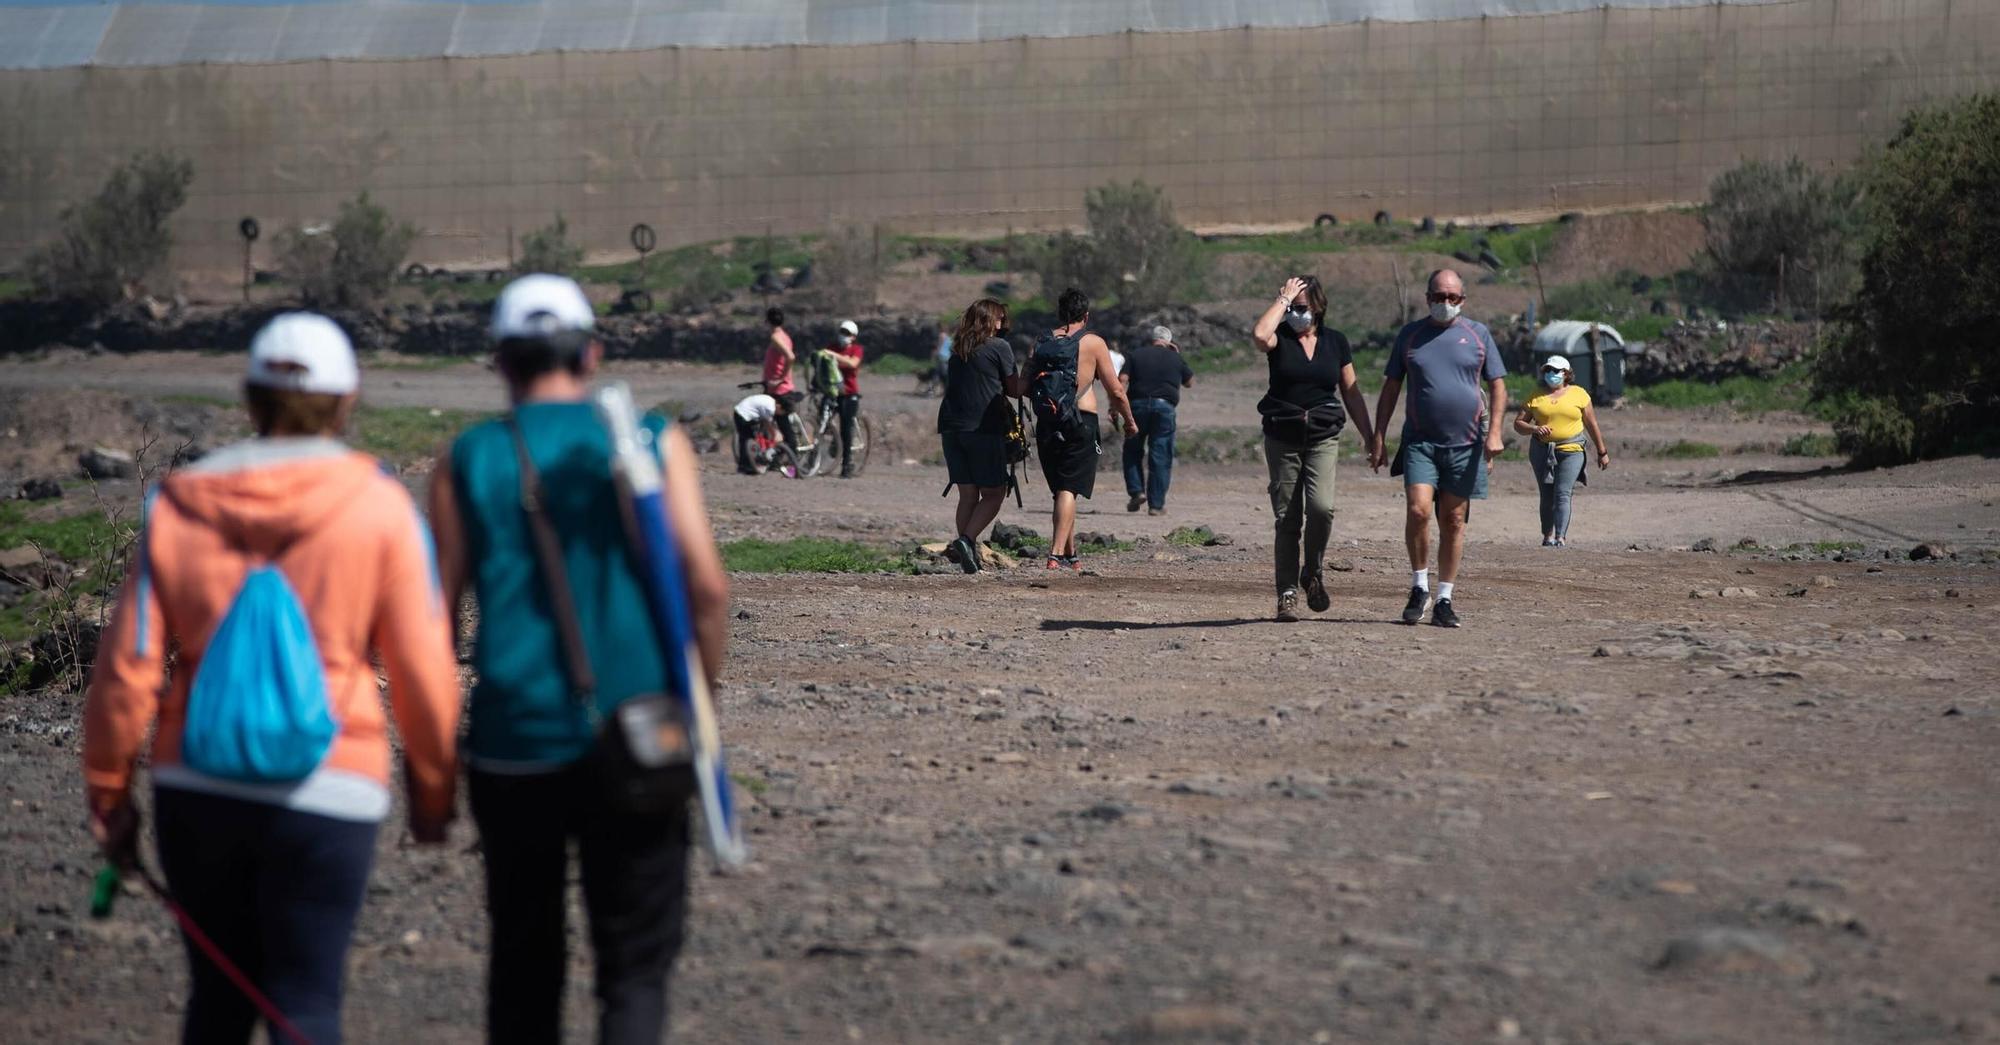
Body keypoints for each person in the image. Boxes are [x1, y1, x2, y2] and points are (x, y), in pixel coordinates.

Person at [82, 312, 462, 1044]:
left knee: (217, 1003)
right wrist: (433, 793)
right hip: (334, 783)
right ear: (348, 401)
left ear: (248, 397)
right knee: (307, 1004)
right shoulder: (380, 506)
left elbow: (127, 667)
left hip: (197, 781)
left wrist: (109, 794)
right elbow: (424, 670)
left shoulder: (176, 504)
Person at [428, 274, 730, 1045]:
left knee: (522, 962)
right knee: (633, 969)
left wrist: (429, 769)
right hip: (640, 733)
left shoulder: (468, 457)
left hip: (512, 742)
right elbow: (706, 589)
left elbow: (432, 622)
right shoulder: (654, 441)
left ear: (500, 360)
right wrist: (698, 701)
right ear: (593, 353)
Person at [1370, 268, 1508, 628]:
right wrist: (1379, 435)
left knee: (1453, 519)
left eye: (1452, 298)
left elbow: (1498, 385)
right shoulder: (1410, 336)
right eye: (1438, 297)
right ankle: (1419, 586)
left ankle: (1444, 598)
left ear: (1462, 300)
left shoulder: (1477, 335)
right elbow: (1390, 388)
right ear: (1427, 297)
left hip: (1465, 445)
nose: (1445, 303)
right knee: (1418, 511)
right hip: (1421, 442)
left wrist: (1494, 433)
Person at [1253, 276, 1376, 621]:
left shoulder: (1336, 342)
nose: (1295, 313)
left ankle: (1313, 571)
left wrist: (1370, 436)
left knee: (1322, 508)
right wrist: (1282, 299)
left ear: (1319, 307)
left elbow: (1350, 391)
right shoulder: (1281, 339)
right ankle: (1288, 592)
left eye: (1301, 307)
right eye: (1291, 307)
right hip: (1282, 439)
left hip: (1323, 436)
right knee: (1286, 518)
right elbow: (1261, 335)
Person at [1027, 288, 1138, 571]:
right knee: (1069, 489)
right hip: (1081, 422)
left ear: (1059, 313)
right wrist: (1129, 420)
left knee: (1063, 492)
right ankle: (1054, 555)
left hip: (1047, 423)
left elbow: (1021, 387)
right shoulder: (1093, 343)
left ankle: (1070, 555)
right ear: (1086, 316)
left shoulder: (1041, 341)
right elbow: (1116, 389)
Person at [936, 297, 1024, 573]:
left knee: (968, 494)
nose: (1002, 324)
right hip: (983, 429)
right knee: (996, 492)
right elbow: (1014, 389)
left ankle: (968, 555)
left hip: (951, 427)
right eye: (999, 319)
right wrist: (1032, 371)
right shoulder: (999, 346)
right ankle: (966, 539)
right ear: (988, 320)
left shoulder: (958, 346)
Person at [1514, 353, 1611, 546]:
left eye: (1556, 371)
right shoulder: (1536, 394)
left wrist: (1602, 452)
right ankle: (1547, 535)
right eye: (1548, 370)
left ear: (1566, 374)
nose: (1551, 374)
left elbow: (1591, 424)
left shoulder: (1579, 394)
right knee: (1547, 494)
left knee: (1562, 492)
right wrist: (1534, 428)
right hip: (1542, 450)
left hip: (1572, 449)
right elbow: (1518, 424)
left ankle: (1560, 537)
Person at [1121, 325, 1195, 516]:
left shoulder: (1136, 354)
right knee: (1160, 455)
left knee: (1132, 450)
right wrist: (1176, 355)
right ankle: (1156, 505)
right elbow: (1189, 382)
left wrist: (1115, 406)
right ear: (1168, 341)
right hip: (1164, 408)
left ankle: (1137, 491)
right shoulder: (1175, 357)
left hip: (1136, 407)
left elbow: (1122, 379)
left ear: (1151, 339)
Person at [815, 319, 865, 478]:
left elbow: (852, 364)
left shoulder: (856, 349)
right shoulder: (832, 347)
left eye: (847, 333)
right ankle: (815, 456)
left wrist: (833, 355)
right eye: (842, 332)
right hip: (832, 392)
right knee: (821, 420)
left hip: (849, 393)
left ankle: (847, 464)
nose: (843, 336)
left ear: (853, 336)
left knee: (846, 428)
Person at [761, 306, 805, 449]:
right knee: (776, 420)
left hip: (778, 389)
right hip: (777, 386)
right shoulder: (785, 336)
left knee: (780, 424)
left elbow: (790, 357)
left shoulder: (776, 337)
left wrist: (780, 378)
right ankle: (778, 453)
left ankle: (791, 461)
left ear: (767, 321)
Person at [731, 392, 784, 475]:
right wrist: (775, 434)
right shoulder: (771, 408)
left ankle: (755, 459)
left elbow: (765, 420)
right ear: (779, 407)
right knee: (746, 439)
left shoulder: (771, 401)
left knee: (752, 435)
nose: (780, 414)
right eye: (782, 412)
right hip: (742, 414)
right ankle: (745, 467)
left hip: (744, 410)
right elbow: (767, 422)